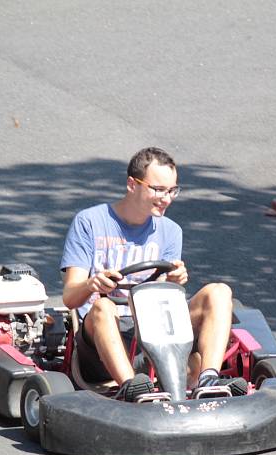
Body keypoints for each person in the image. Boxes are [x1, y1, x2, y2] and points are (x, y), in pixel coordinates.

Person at [60, 147, 248, 401]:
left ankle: (208, 378)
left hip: (154, 332)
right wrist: (92, 284)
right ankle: (131, 388)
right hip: (102, 342)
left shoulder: (170, 231)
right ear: (131, 184)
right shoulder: (89, 222)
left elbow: (165, 304)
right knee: (104, 306)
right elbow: (70, 297)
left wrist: (172, 283)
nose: (167, 198)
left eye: (172, 190)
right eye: (158, 190)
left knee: (219, 292)